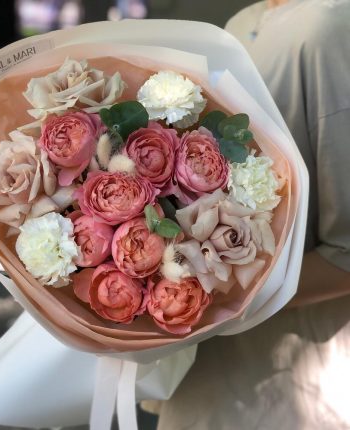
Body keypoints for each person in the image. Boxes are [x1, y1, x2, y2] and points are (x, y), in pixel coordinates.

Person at [152, 1, 350, 428]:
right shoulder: (242, 22)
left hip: (289, 377)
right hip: (205, 367)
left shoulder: (333, 25)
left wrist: (209, 293)